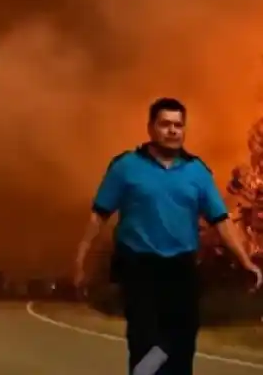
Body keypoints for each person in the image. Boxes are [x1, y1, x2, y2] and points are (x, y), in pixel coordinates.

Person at [74, 97, 263, 375]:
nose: (172, 131)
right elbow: (98, 216)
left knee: (181, 341)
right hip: (139, 267)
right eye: (165, 124)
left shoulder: (197, 171)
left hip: (181, 269)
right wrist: (81, 258)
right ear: (151, 128)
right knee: (146, 340)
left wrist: (246, 261)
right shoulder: (126, 167)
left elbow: (222, 221)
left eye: (178, 125)